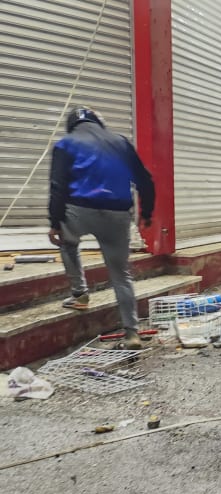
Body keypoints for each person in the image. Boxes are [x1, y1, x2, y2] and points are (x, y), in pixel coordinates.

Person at [49, 107, 155, 349]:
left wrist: (55, 223)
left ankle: (79, 294)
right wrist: (147, 214)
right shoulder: (120, 142)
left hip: (79, 211)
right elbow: (145, 180)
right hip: (116, 216)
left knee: (68, 243)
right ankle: (132, 333)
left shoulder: (65, 144)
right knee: (121, 275)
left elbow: (58, 186)